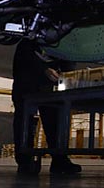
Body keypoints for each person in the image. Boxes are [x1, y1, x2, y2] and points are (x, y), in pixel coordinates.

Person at [11, 39, 81, 175]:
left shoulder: (61, 45)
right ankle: (25, 162)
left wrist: (67, 74)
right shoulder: (27, 43)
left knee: (55, 123)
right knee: (24, 123)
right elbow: (23, 63)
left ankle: (59, 161)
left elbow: (68, 63)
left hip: (48, 88)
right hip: (26, 87)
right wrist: (43, 70)